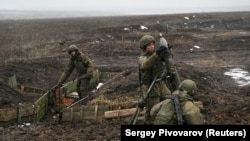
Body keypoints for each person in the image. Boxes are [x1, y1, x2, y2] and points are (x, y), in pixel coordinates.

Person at [137, 34, 173, 125]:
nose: (152, 46)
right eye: (149, 45)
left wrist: (168, 50)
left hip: (160, 83)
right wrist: (157, 54)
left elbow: (169, 59)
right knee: (152, 111)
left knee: (170, 100)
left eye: (153, 44)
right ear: (144, 47)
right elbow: (145, 64)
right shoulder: (142, 58)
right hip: (150, 86)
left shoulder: (157, 55)